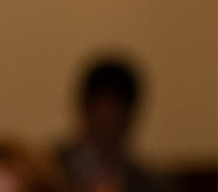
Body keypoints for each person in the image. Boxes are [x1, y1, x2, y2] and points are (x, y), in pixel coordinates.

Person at [56, 58, 170, 192]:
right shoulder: (49, 170)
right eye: (101, 121)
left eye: (115, 122)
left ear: (129, 118)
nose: (107, 132)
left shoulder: (150, 183)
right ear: (85, 113)